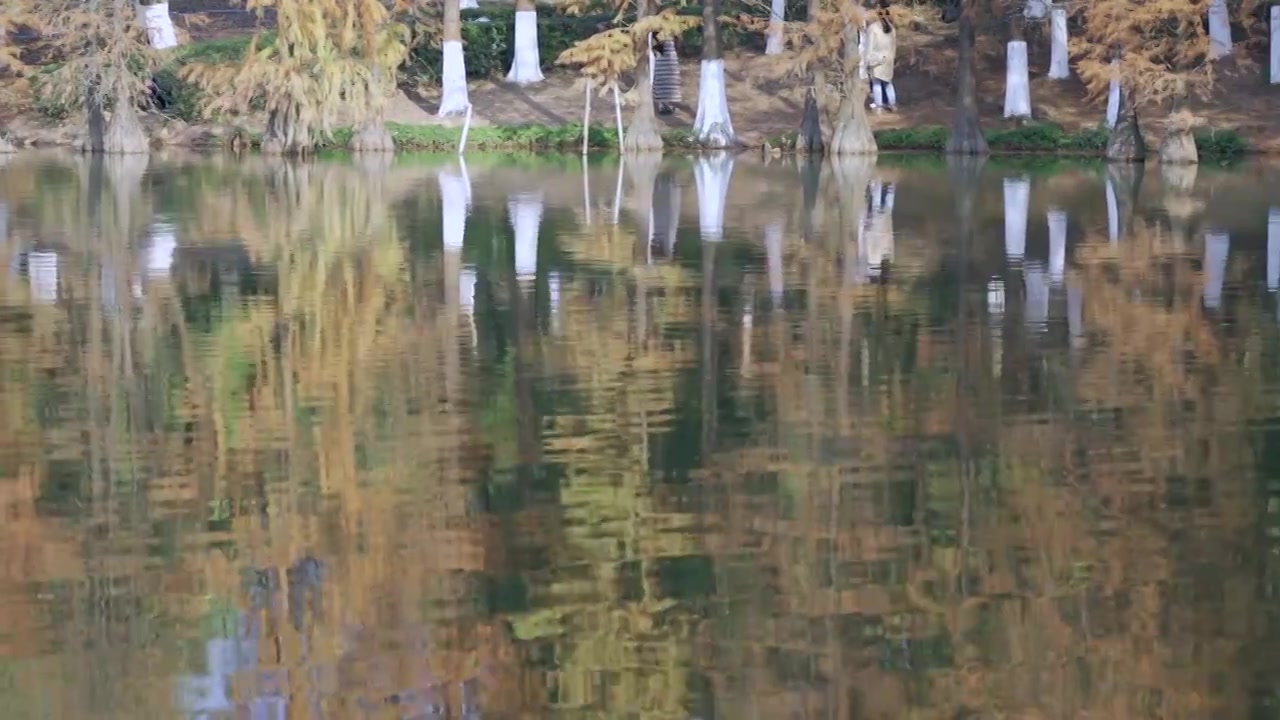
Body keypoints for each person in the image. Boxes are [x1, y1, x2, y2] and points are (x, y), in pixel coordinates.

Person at [865, 0, 898, 112]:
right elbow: (894, 46)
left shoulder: (873, 28)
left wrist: (866, 61)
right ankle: (892, 104)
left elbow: (869, 47)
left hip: (876, 59)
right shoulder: (892, 29)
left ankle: (879, 106)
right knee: (888, 83)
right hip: (888, 59)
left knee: (876, 83)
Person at [651, 35, 681, 116]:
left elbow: (678, 40)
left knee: (671, 81)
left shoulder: (672, 28)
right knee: (660, 80)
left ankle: (670, 104)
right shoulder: (653, 28)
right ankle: (662, 105)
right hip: (659, 56)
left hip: (670, 56)